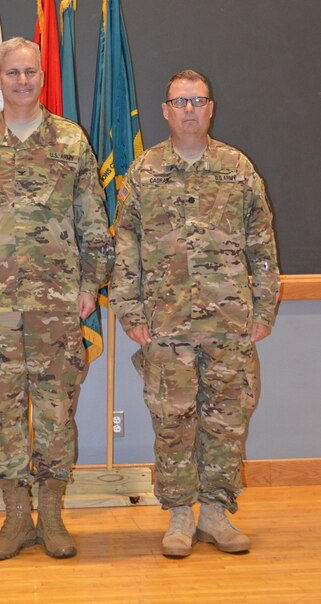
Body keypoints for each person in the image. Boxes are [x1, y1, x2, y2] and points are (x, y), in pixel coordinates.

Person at [0, 36, 113, 560]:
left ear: (42, 77)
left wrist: (90, 283)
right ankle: (16, 516)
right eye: (13, 72)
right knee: (3, 408)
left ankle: (54, 515)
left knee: (58, 406)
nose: (22, 81)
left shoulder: (70, 141)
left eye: (31, 72)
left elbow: (93, 220)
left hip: (57, 300)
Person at [110, 70, 279, 558]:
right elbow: (125, 245)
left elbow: (261, 244)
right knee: (173, 420)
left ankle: (216, 514)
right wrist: (129, 310)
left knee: (226, 420)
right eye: (179, 101)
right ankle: (180, 514)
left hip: (230, 324)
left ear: (211, 108)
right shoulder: (143, 173)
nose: (188, 109)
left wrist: (264, 305)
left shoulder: (237, 168)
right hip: (165, 324)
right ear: (164, 110)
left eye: (198, 101)